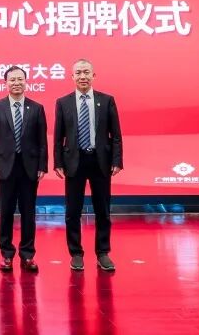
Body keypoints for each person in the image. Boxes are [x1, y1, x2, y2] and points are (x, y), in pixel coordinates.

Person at [53, 59, 123, 272]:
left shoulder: (107, 100)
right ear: (72, 77)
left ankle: (103, 252)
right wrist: (58, 162)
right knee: (72, 211)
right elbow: (58, 137)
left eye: (86, 72)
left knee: (103, 209)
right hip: (74, 161)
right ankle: (76, 253)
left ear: (93, 76)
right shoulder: (63, 102)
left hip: (100, 161)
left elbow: (116, 134)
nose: (82, 76)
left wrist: (117, 160)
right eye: (78, 73)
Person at [0, 66, 48, 273]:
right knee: (5, 213)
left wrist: (42, 165)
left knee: (29, 213)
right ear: (6, 83)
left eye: (20, 79)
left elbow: (42, 141)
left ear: (26, 82)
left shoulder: (36, 108)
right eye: (12, 80)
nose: (16, 83)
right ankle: (6, 254)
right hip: (5, 168)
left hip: (30, 169)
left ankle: (27, 254)